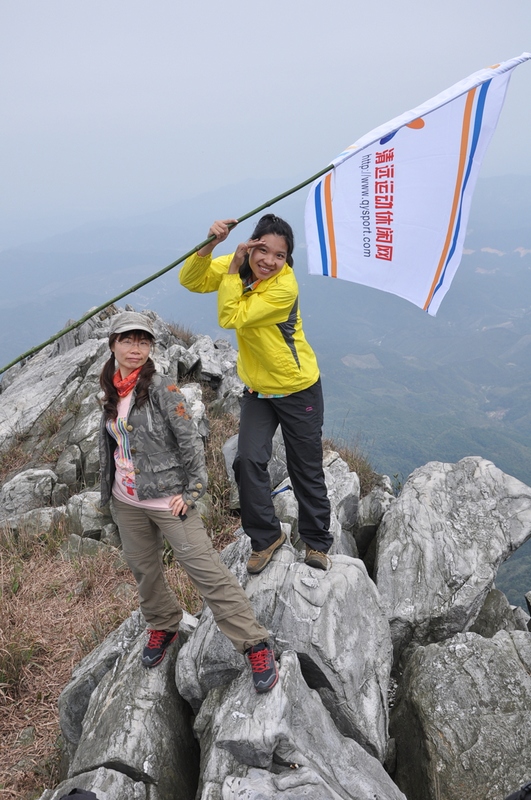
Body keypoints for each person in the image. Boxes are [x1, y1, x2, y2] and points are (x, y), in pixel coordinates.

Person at [98, 310, 278, 693]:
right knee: (145, 570)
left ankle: (254, 644)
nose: (135, 348)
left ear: (151, 346)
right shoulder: (111, 388)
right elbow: (113, 444)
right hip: (126, 500)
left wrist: (193, 490)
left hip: (169, 500)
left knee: (207, 572)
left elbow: (190, 439)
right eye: (127, 340)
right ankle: (162, 623)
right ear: (113, 344)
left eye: (143, 341)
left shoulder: (162, 388)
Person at [179, 214, 332, 574]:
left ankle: (316, 542)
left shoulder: (283, 288)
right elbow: (191, 280)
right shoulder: (240, 266)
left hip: (297, 389)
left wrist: (233, 270)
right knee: (247, 460)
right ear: (250, 245)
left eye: (280, 255)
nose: (269, 260)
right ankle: (266, 538)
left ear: (287, 260)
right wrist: (210, 244)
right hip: (258, 390)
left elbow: (231, 316)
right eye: (263, 250)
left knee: (305, 468)